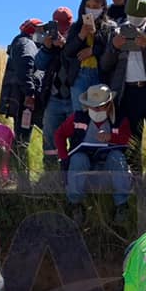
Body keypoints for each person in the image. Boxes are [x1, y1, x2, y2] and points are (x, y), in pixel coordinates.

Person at [101, 14, 146, 176]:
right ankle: (135, 183)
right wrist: (114, 46)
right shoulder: (117, 33)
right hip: (127, 94)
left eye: (140, 10)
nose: (136, 14)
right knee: (132, 143)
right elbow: (105, 65)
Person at [55, 84, 132, 224]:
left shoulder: (120, 119)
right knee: (78, 159)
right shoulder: (78, 118)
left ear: (109, 105)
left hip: (109, 167)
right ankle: (75, 204)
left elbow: (128, 140)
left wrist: (110, 138)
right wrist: (64, 158)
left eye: (100, 106)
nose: (96, 110)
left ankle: (122, 205)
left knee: (118, 158)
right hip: (83, 166)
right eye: (92, 106)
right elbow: (59, 134)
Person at [0, 18, 43, 188]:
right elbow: (26, 66)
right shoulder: (27, 44)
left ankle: (22, 181)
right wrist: (30, 92)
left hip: (20, 98)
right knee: (23, 141)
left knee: (21, 139)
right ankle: (24, 183)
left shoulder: (21, 42)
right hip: (25, 100)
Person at [65, 0, 118, 113]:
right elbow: (68, 52)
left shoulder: (110, 27)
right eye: (88, 6)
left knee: (100, 115)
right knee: (80, 116)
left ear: (103, 8)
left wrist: (93, 47)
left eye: (95, 7)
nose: (91, 10)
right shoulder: (76, 27)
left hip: (100, 76)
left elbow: (110, 49)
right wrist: (81, 36)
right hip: (79, 75)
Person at [37, 7, 76, 172]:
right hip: (54, 98)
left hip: (74, 97)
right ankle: (51, 175)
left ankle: (73, 175)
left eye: (64, 25)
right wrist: (47, 47)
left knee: (77, 138)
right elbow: (38, 64)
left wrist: (65, 47)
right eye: (58, 25)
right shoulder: (49, 40)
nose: (61, 29)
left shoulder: (77, 36)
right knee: (50, 141)